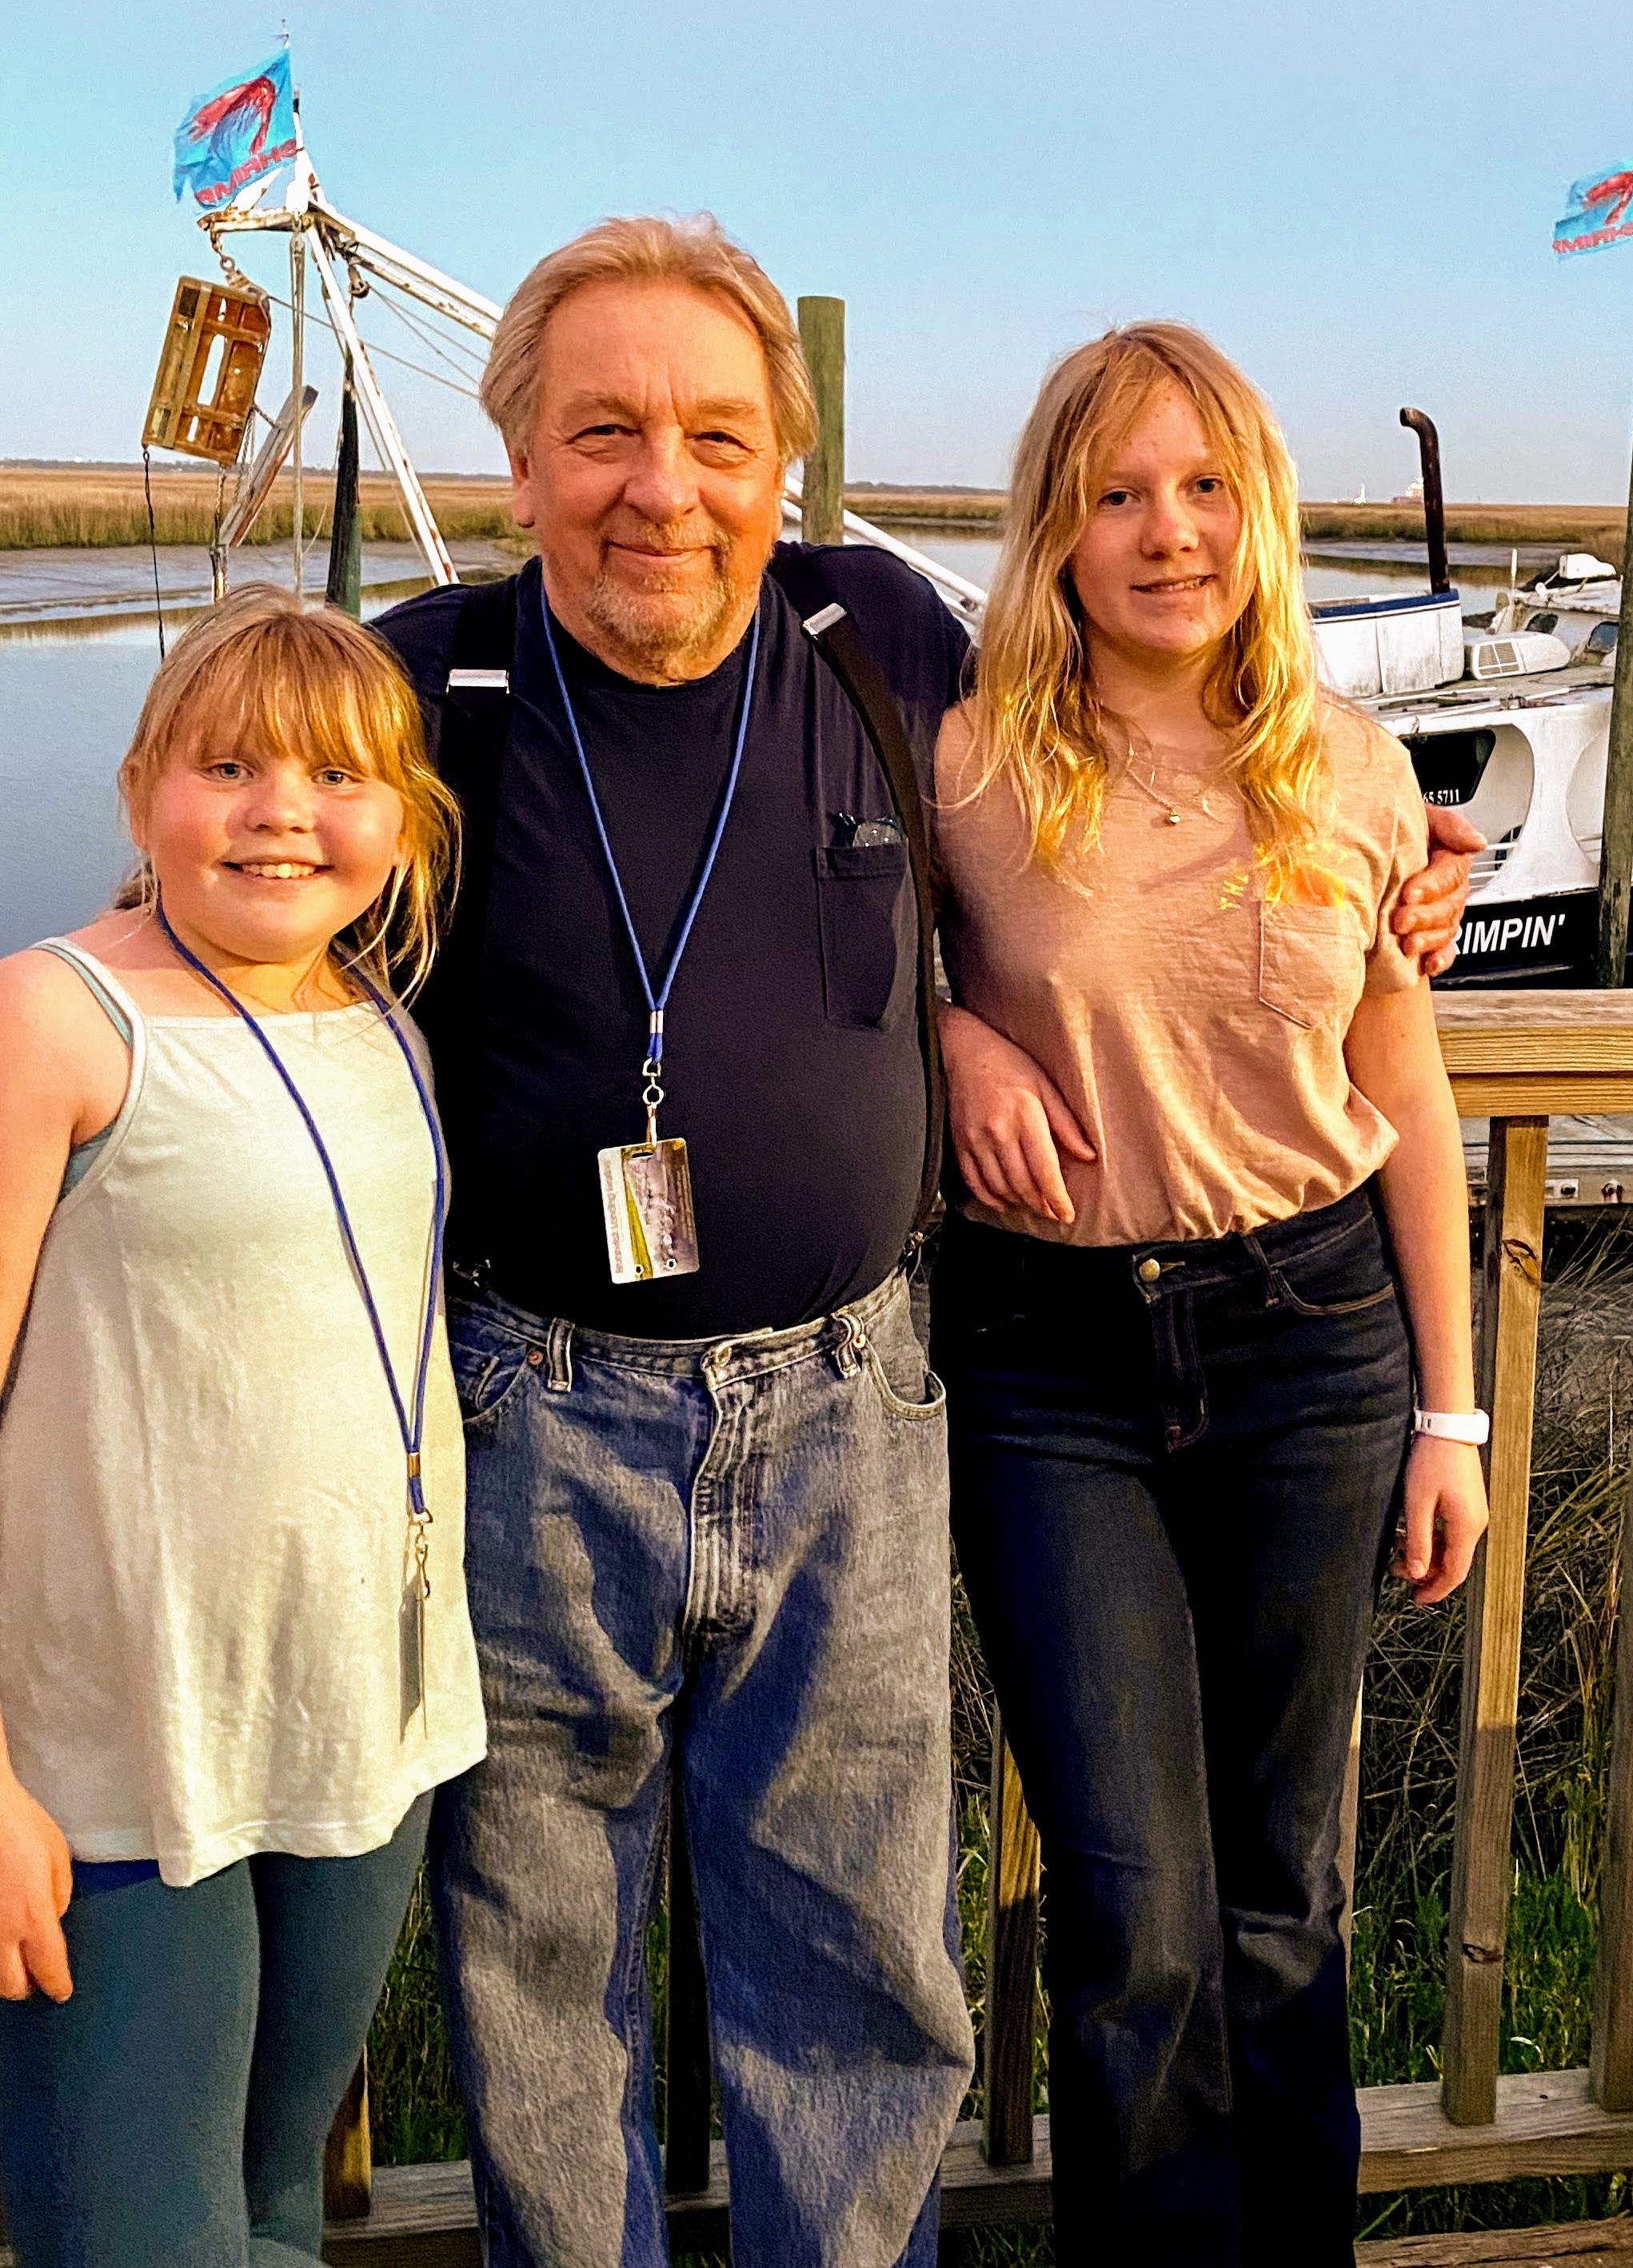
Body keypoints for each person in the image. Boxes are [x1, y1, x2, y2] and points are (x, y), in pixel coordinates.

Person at [375, 214, 1477, 2268]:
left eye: (717, 432)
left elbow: (1252, 896)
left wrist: (1454, 1392)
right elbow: (231, 872)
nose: (662, 486)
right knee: (544, 1959)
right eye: (602, 431)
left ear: (785, 460)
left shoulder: (871, 635)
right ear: (518, 454)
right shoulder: (425, 688)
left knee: (874, 1954)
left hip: (883, 1395)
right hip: (550, 1402)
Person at [928, 322, 1491, 2267]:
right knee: (1134, 1907)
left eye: (1201, 489)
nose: (1164, 533)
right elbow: (832, 955)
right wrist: (945, 1035)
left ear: (1256, 515)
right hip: (1047, 1367)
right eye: (1115, 493)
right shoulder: (969, 747)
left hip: (1313, 1339)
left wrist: (1454, 1410)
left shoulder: (1348, 765)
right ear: (1055, 527)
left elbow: (1401, 1084)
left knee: (1284, 1889)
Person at [0, 588, 487, 2266]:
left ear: (402, 825)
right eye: (229, 764)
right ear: (143, 795)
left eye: (338, 776)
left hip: (354, 1724)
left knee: (280, 2206)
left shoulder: (380, 1016)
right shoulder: (55, 1017)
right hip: (111, 1759)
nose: (283, 808)